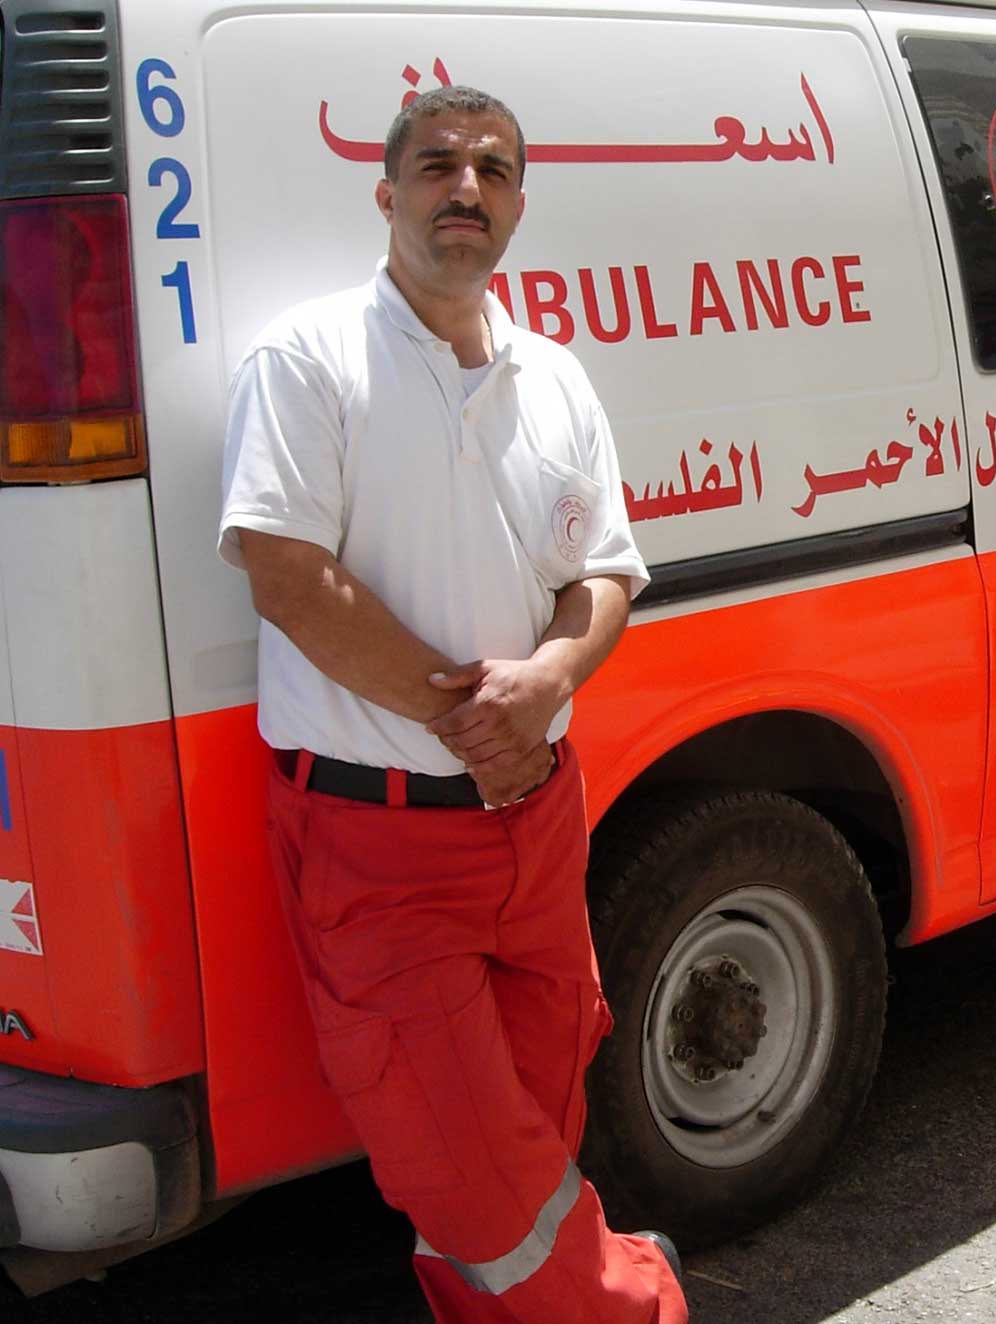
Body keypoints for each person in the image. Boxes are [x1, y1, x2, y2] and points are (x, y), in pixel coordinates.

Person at [217, 86, 687, 1321]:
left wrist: (551, 678)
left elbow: (606, 573)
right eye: (436, 167)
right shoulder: (309, 359)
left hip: (537, 823)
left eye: (492, 169)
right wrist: (470, 723)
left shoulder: (554, 376)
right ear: (388, 195)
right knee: (472, 1166)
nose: (464, 188)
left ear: (520, 204)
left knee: (536, 1122)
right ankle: (636, 1304)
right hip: (379, 845)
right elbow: (287, 576)